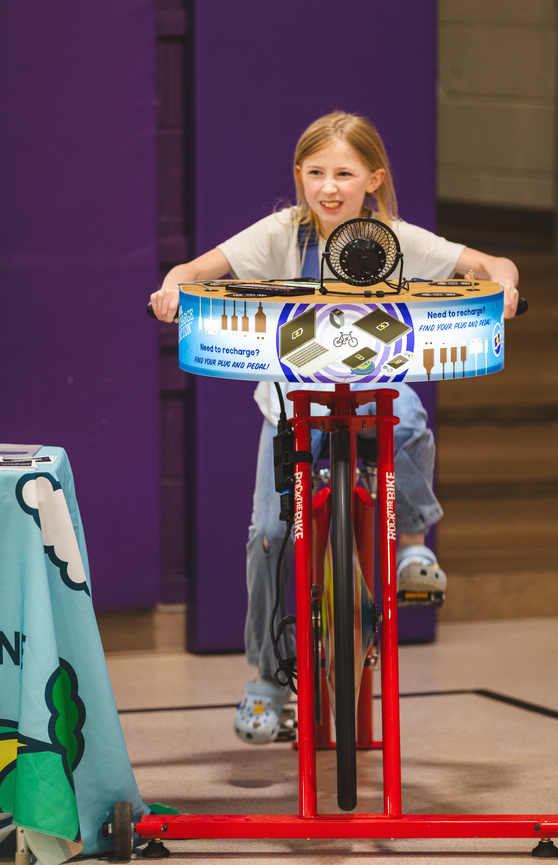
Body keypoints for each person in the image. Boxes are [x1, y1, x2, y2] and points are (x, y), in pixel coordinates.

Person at [151, 111, 520, 744]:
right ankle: (267, 682)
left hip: (372, 397)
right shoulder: (279, 234)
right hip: (294, 408)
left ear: (372, 179)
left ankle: (410, 547)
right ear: (299, 177)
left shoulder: (395, 240)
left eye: (344, 173)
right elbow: (193, 271)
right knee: (268, 533)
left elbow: (492, 262)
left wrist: (506, 285)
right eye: (316, 173)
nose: (328, 187)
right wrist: (170, 288)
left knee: (408, 417)